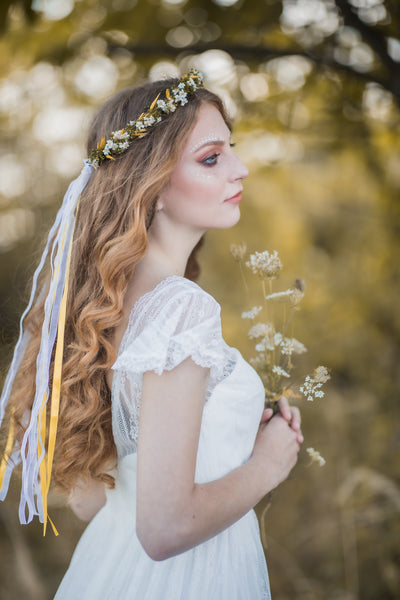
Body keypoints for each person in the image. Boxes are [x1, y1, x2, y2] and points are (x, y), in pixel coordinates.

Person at [0, 69, 303, 599]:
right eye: (212, 158)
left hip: (112, 570)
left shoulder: (106, 309)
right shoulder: (181, 310)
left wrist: (224, 442)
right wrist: (268, 464)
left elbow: (92, 501)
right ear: (154, 184)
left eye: (231, 150)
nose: (242, 168)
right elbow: (165, 530)